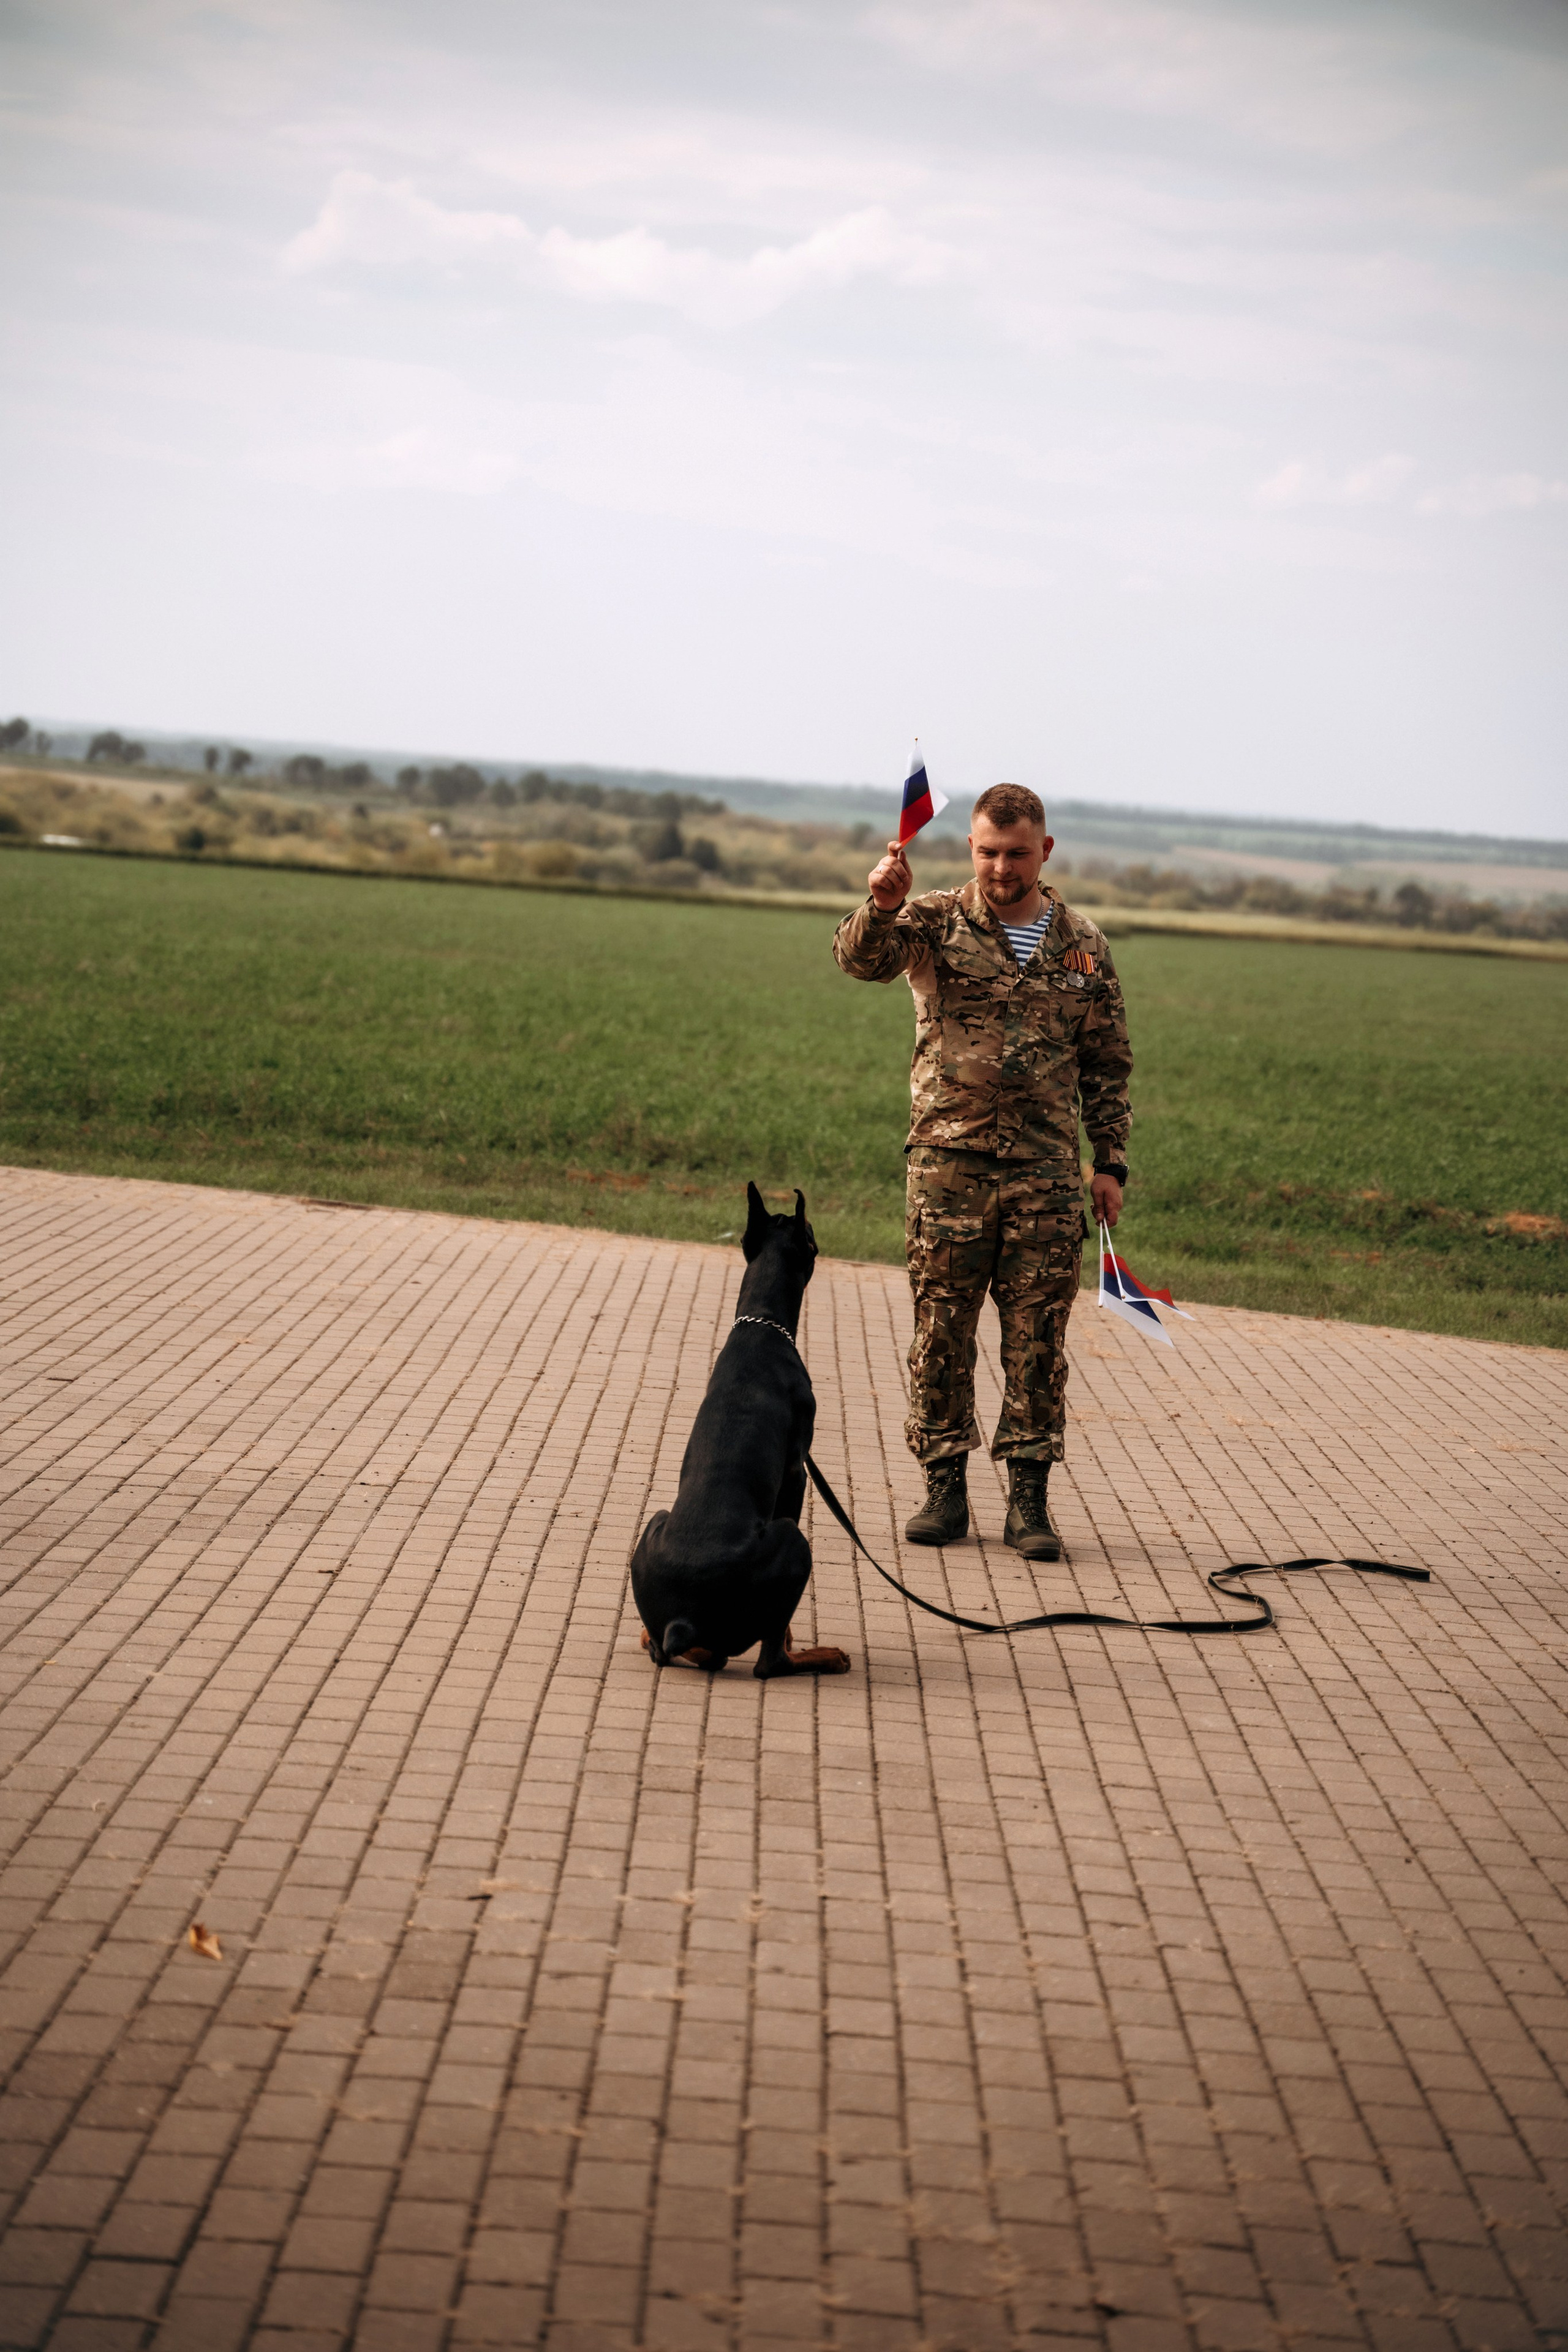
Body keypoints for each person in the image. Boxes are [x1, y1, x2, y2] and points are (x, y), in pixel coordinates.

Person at [832, 783, 1132, 1559]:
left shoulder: (1084, 946)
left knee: (1038, 1340)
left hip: (1045, 1175)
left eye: (1017, 853)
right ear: (971, 849)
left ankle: (1028, 1503)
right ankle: (944, 1489)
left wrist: (1112, 1165)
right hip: (947, 1167)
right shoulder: (931, 921)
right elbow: (858, 961)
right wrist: (880, 905)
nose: (1002, 868)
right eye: (989, 853)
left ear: (1046, 851)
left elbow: (1106, 1064)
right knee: (941, 1331)